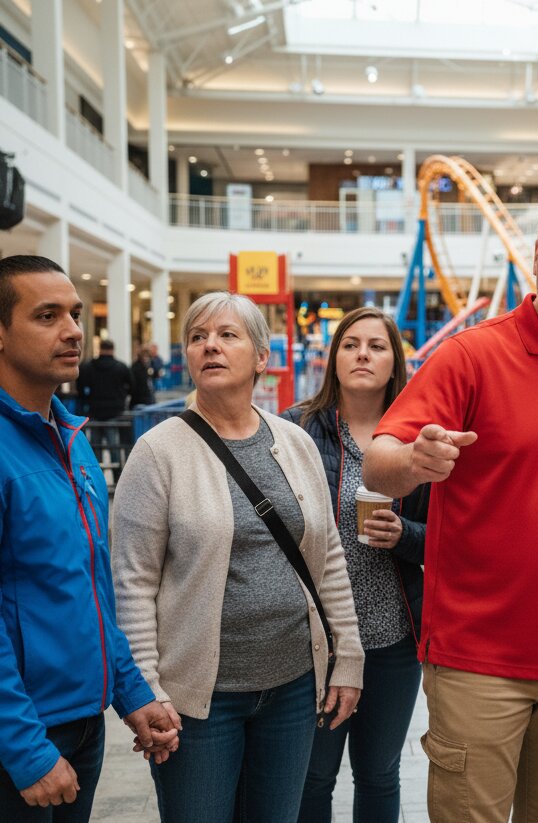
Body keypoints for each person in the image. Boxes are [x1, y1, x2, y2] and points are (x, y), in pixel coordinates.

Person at [363, 183, 538, 823]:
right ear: (535, 257)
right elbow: (379, 460)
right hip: (478, 660)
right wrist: (413, 462)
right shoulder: (471, 355)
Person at [111, 291, 364, 823]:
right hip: (200, 701)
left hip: (294, 688)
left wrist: (349, 659)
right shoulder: (159, 452)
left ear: (261, 357)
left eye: (227, 335)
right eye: (198, 337)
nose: (210, 346)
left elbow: (329, 558)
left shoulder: (294, 443)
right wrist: (148, 689)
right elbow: (132, 583)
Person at [0, 254, 177, 822]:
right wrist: (25, 750)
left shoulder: (70, 440)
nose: (74, 330)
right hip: (22, 735)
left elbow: (92, 591)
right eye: (47, 316)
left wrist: (131, 695)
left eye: (75, 314)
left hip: (81, 725)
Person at [283, 306, 425, 823]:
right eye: (351, 344)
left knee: (380, 775)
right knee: (313, 778)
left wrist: (404, 535)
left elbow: (449, 541)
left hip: (394, 639)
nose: (363, 354)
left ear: (395, 364)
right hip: (317, 640)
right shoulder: (296, 430)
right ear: (335, 359)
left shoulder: (416, 442)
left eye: (377, 346)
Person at [77, 338, 134, 420]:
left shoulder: (88, 367)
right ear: (113, 349)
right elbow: (132, 386)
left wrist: (86, 399)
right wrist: (123, 396)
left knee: (95, 431)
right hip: (116, 407)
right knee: (112, 431)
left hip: (94, 407)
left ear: (100, 349)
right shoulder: (122, 367)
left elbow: (80, 386)